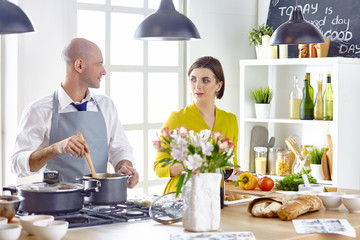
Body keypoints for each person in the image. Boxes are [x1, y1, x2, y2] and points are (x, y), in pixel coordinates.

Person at [11, 38, 139, 188]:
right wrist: (55, 148)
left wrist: (124, 168)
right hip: (56, 205)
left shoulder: (106, 106)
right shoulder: (39, 110)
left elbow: (120, 149)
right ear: (79, 65)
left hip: (99, 204)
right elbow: (16, 165)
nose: (103, 71)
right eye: (99, 64)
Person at [154, 56, 238, 194]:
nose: (197, 86)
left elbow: (230, 167)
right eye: (193, 79)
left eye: (205, 80)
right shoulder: (177, 118)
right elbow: (159, 167)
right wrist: (187, 164)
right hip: (181, 196)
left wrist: (243, 176)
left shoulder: (231, 120)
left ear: (219, 85)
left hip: (216, 196)